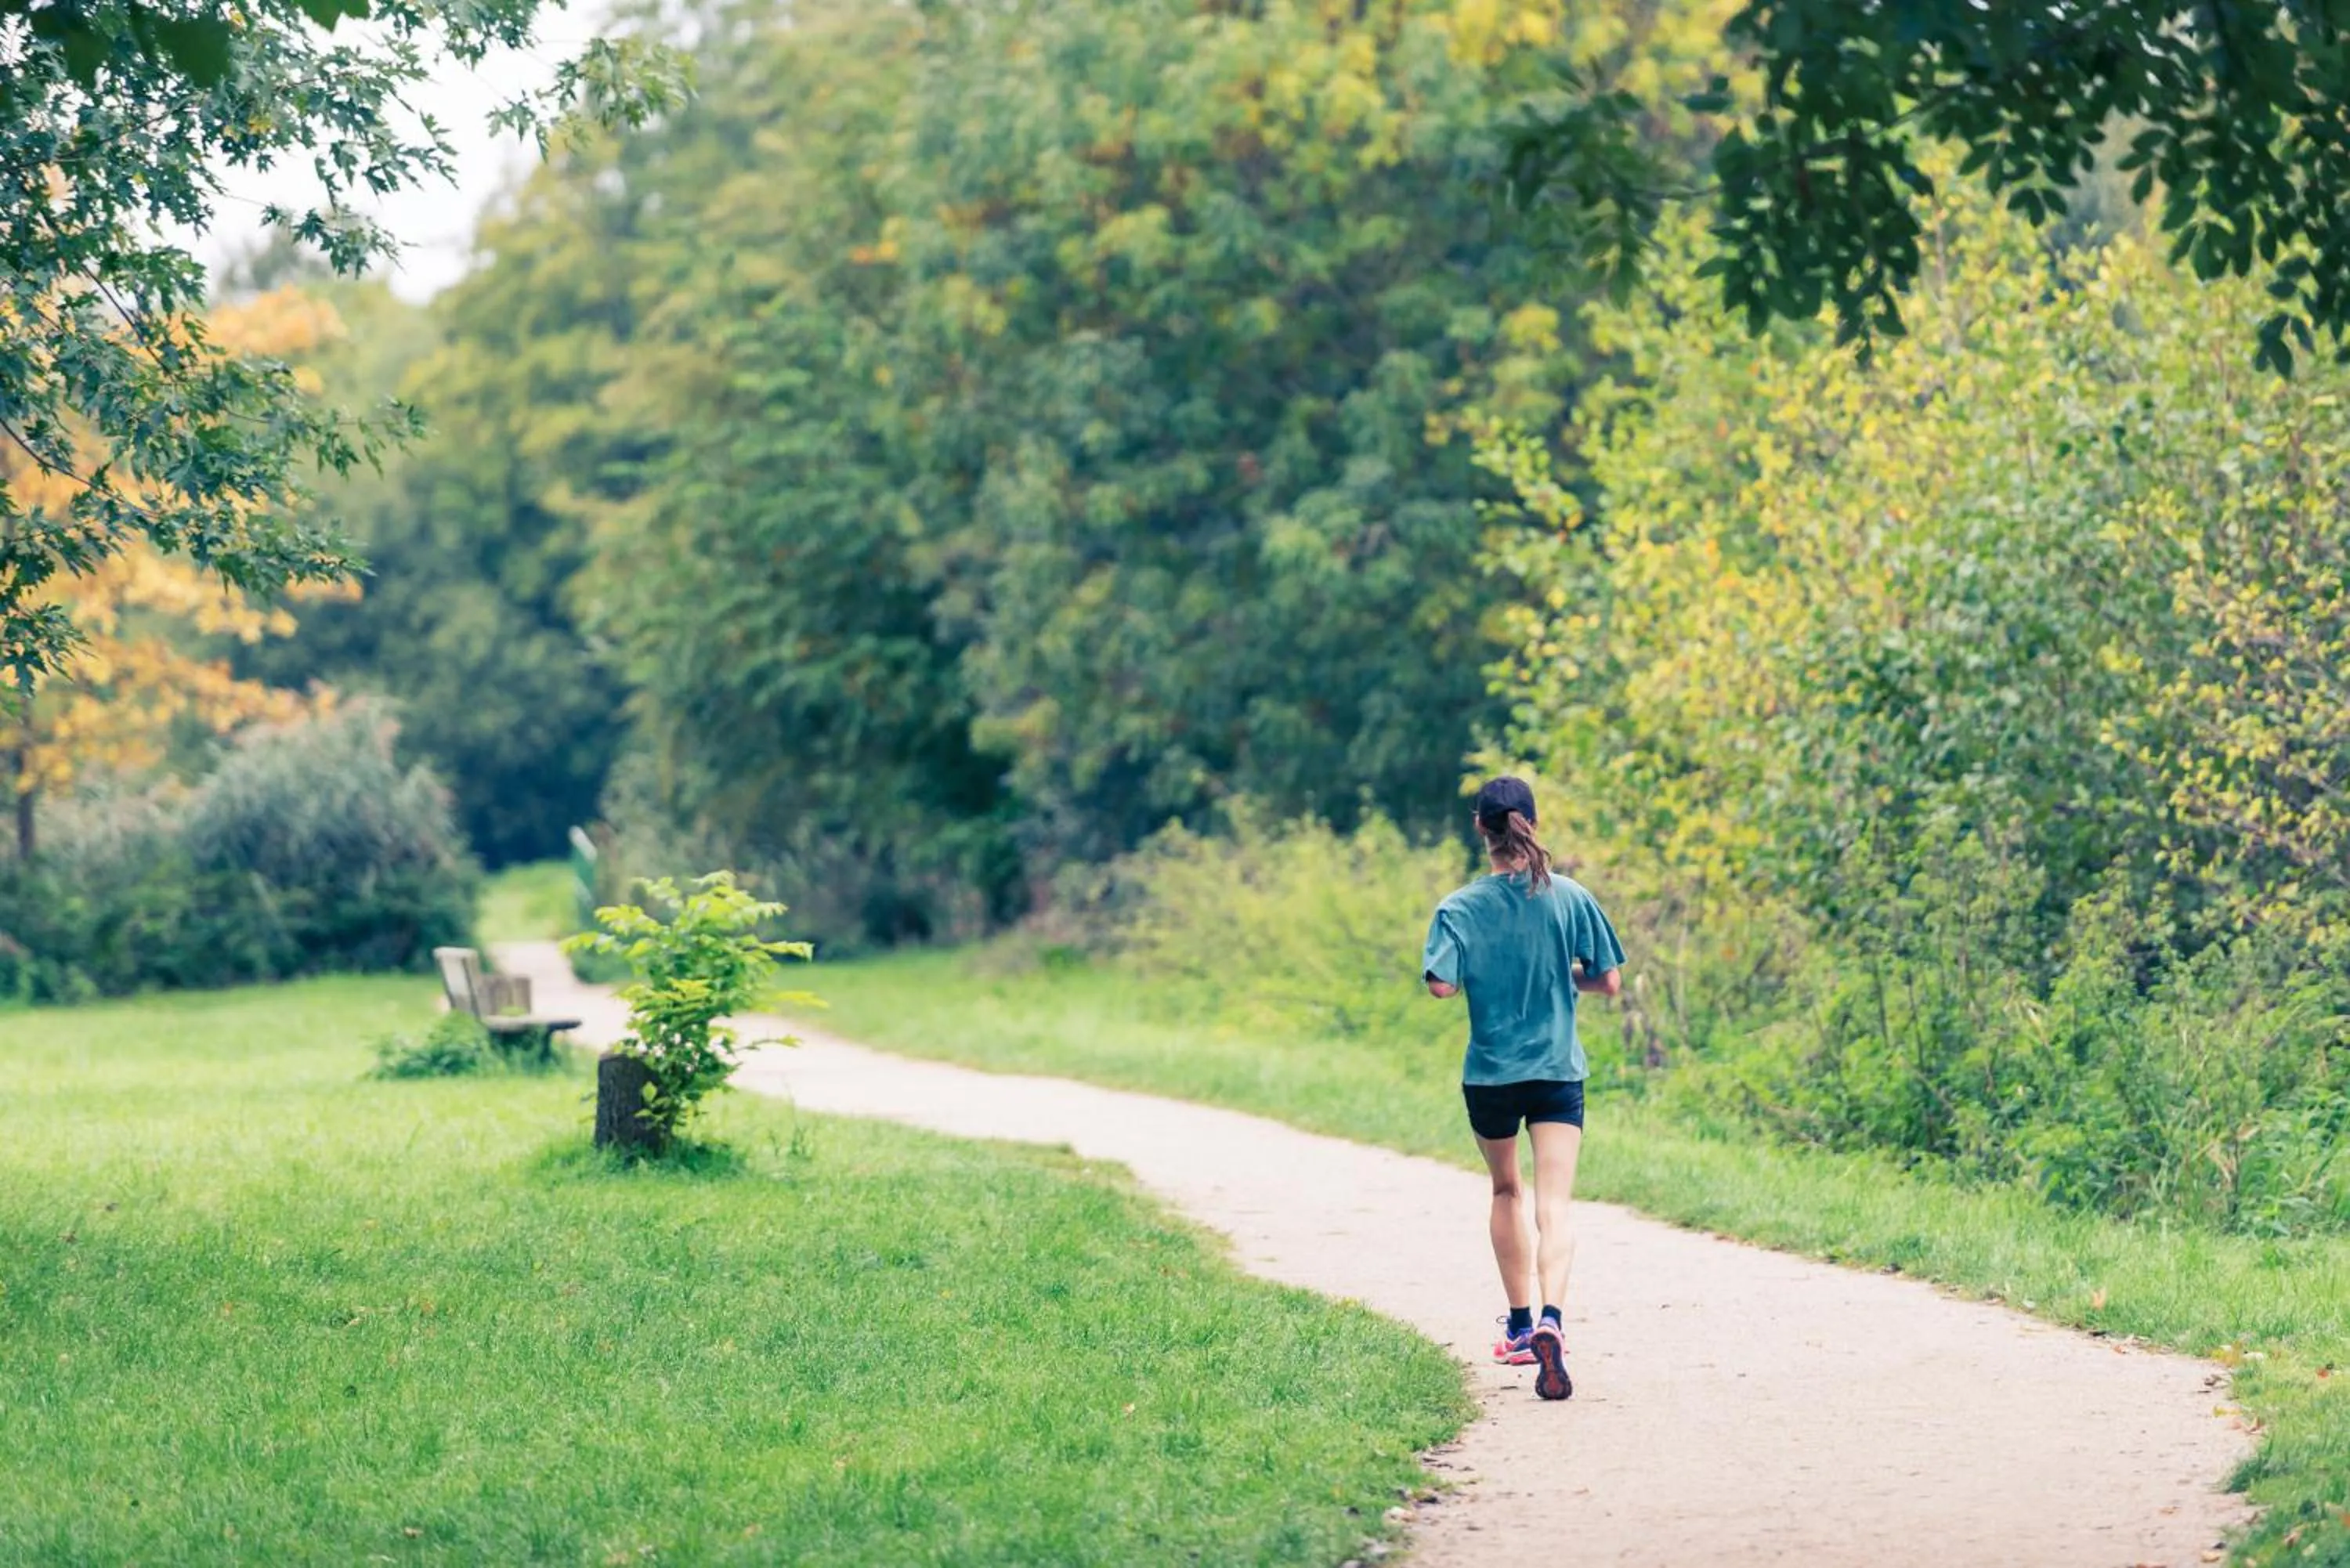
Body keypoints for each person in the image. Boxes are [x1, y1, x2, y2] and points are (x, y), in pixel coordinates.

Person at [1422, 776, 1624, 1401]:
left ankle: (1516, 1326)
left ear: (1481, 828)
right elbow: (1608, 982)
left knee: (1507, 1188)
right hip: (1558, 1070)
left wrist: (1488, 970)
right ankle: (1552, 1321)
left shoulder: (1458, 908)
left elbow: (1441, 987)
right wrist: (1560, 975)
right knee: (1554, 1202)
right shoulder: (1570, 897)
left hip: (1491, 1074)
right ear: (1531, 823)